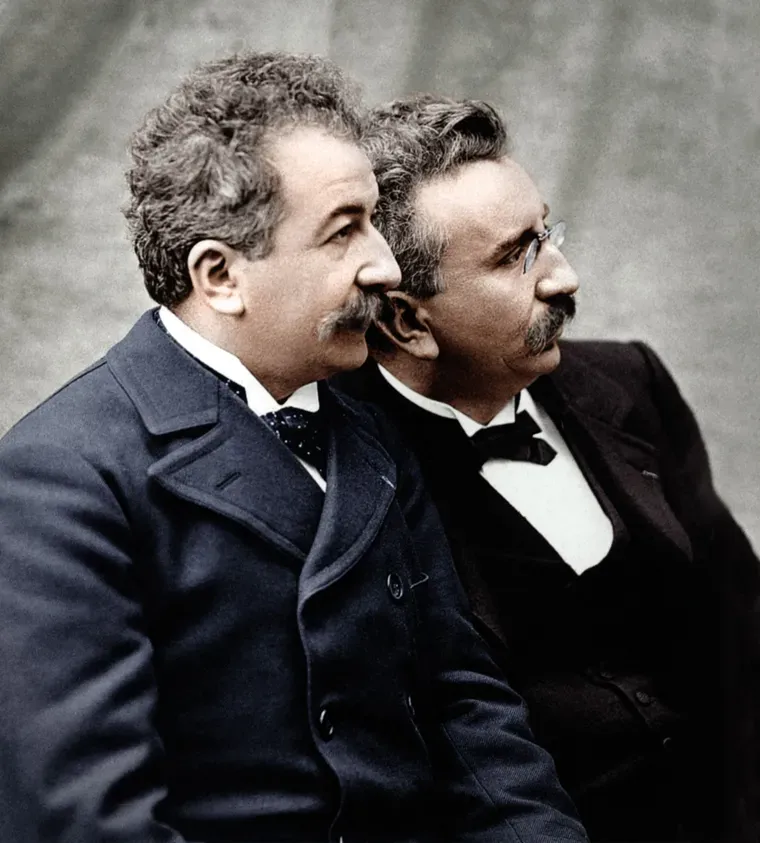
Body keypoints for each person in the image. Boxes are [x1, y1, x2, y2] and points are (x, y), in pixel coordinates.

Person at [0, 54, 589, 843]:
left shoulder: (369, 428)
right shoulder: (61, 476)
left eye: (375, 220)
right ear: (220, 275)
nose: (385, 264)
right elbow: (87, 819)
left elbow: (466, 708)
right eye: (344, 231)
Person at [334, 94, 760, 843]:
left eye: (546, 234)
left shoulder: (629, 381)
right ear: (406, 320)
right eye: (515, 257)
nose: (564, 278)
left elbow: (742, 614)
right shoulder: (346, 476)